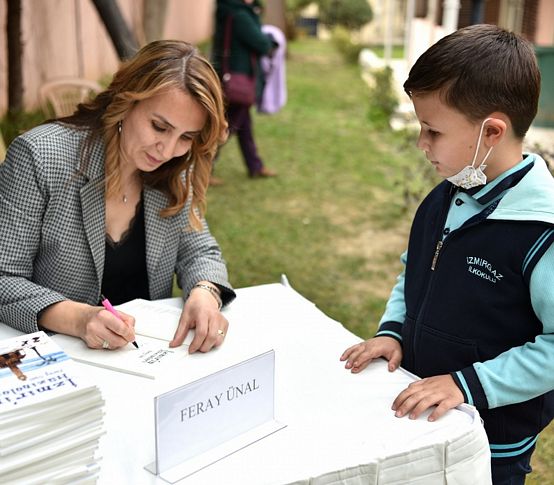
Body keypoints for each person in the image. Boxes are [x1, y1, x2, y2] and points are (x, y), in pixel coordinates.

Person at [340, 24, 554, 485]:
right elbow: (412, 271)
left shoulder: (542, 229)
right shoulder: (445, 197)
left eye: (432, 130)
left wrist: (467, 385)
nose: (422, 144)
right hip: (421, 418)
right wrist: (393, 332)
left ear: (491, 132)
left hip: (486, 445)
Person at [0, 40, 236, 354]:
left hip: (147, 359)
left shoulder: (175, 170)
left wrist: (205, 293)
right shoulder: (40, 156)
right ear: (126, 101)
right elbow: (4, 276)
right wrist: (81, 319)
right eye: (159, 126)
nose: (166, 150)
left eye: (187, 137)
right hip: (60, 357)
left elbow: (200, 250)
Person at [211, 0, 277, 180]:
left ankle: (255, 166)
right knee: (226, 127)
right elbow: (261, 44)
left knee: (244, 125)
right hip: (237, 80)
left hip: (230, 76)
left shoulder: (231, 10)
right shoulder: (240, 15)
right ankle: (201, 168)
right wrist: (271, 41)